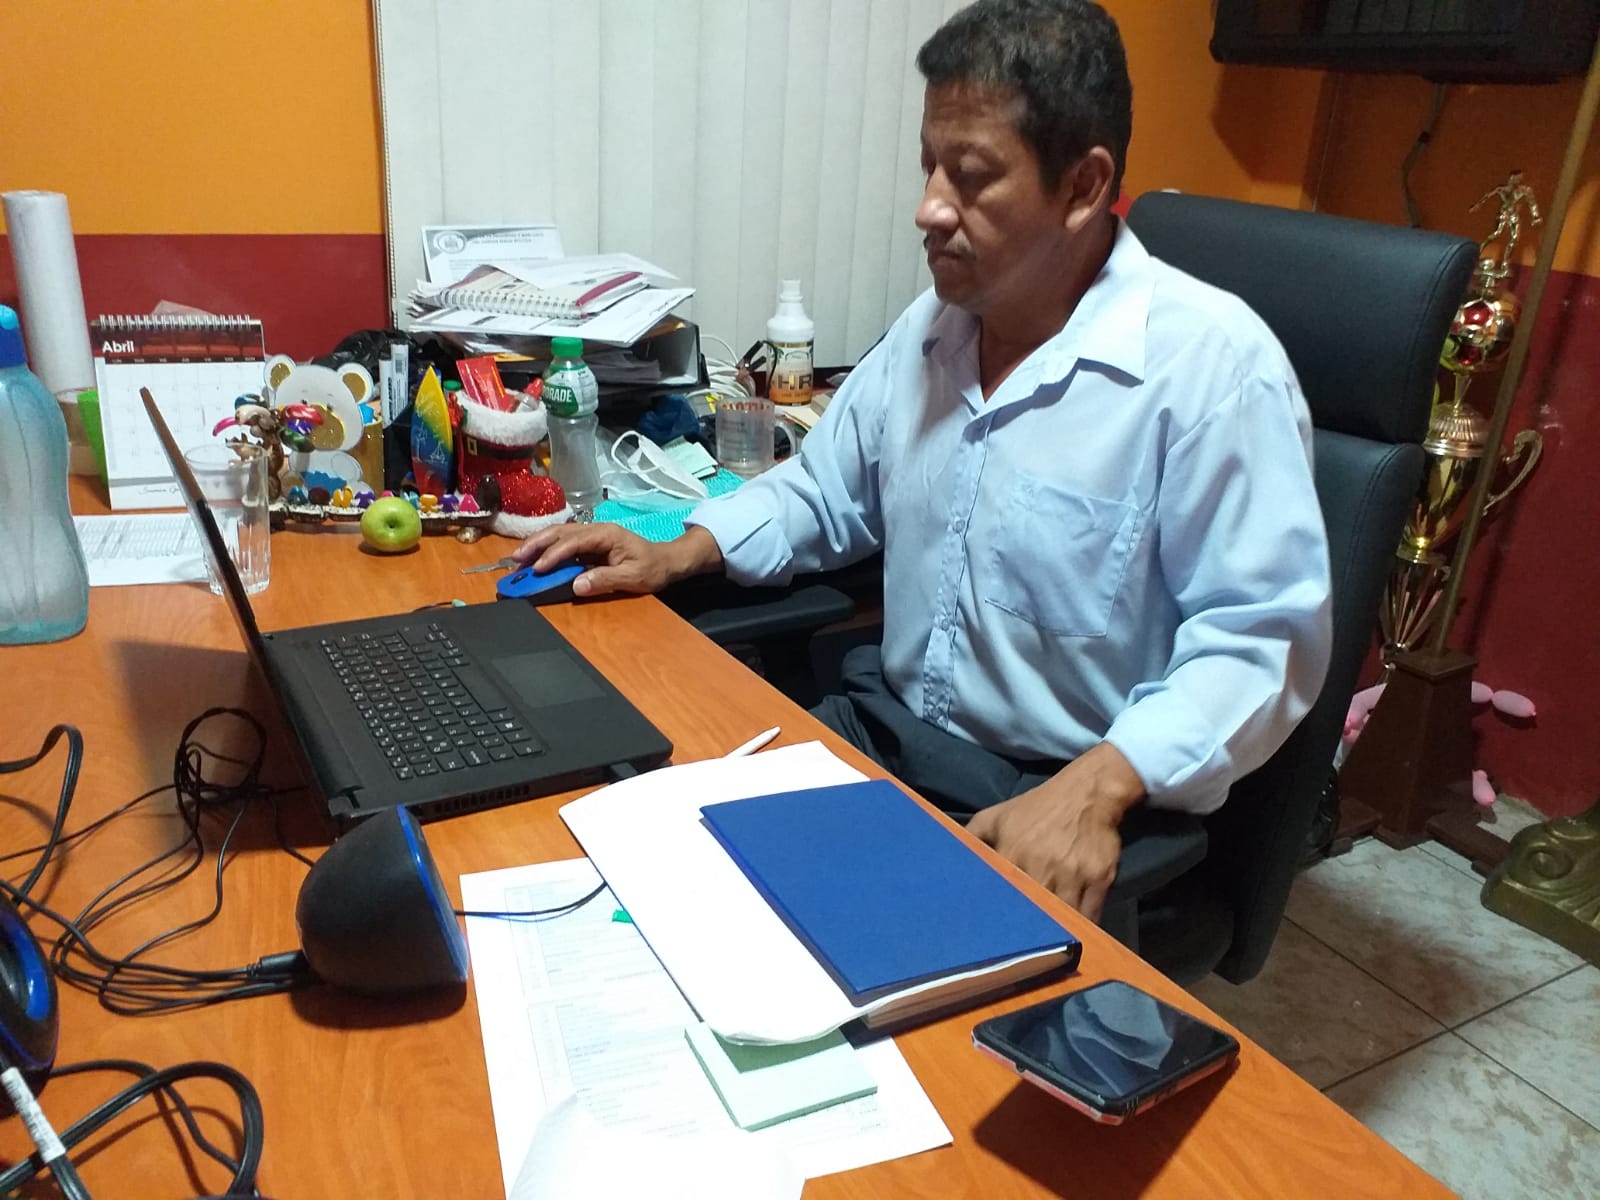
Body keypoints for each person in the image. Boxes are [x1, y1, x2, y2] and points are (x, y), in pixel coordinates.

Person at [515, 0, 1333, 925]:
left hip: (1045, 799)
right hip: (884, 736)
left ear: (1083, 185)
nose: (929, 208)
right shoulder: (935, 329)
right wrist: (682, 549)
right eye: (928, 167)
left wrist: (1106, 783)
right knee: (633, 874)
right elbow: (826, 492)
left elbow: (1263, 640)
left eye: (971, 177)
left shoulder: (1210, 372)